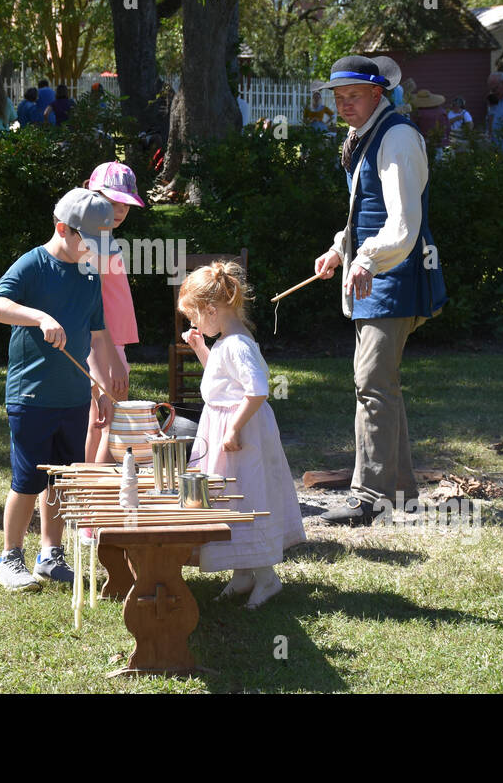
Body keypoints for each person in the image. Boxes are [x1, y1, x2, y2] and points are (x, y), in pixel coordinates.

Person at [311, 54, 447, 526]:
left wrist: (365, 258)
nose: (343, 105)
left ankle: (368, 497)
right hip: (370, 274)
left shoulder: (398, 138)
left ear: (378, 93)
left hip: (397, 276)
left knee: (371, 385)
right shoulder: (366, 135)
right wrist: (338, 250)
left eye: (352, 96)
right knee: (381, 386)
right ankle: (403, 493)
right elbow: (362, 209)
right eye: (338, 98)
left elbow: (404, 224)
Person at [0, 188, 120, 592]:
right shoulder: (33, 265)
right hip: (32, 396)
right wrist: (39, 316)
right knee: (28, 480)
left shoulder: (90, 274)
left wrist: (102, 389)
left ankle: (49, 554)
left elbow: (97, 338)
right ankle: (9, 558)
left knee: (61, 480)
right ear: (63, 229)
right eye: (91, 243)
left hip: (74, 397)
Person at [177, 261, 306, 609]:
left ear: (212, 309)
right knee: (231, 498)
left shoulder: (237, 344)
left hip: (239, 436)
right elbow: (223, 381)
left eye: (195, 318)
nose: (194, 325)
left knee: (247, 499)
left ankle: (266, 577)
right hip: (227, 430)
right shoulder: (227, 341)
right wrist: (201, 348)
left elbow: (257, 390)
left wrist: (234, 427)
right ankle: (243, 573)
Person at [81, 162, 145, 463]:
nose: (120, 210)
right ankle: (97, 498)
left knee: (100, 419)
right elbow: (89, 305)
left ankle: (87, 495)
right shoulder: (94, 242)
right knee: (113, 419)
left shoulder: (100, 237)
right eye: (112, 202)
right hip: (101, 342)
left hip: (108, 342)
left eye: (126, 205)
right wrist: (101, 362)